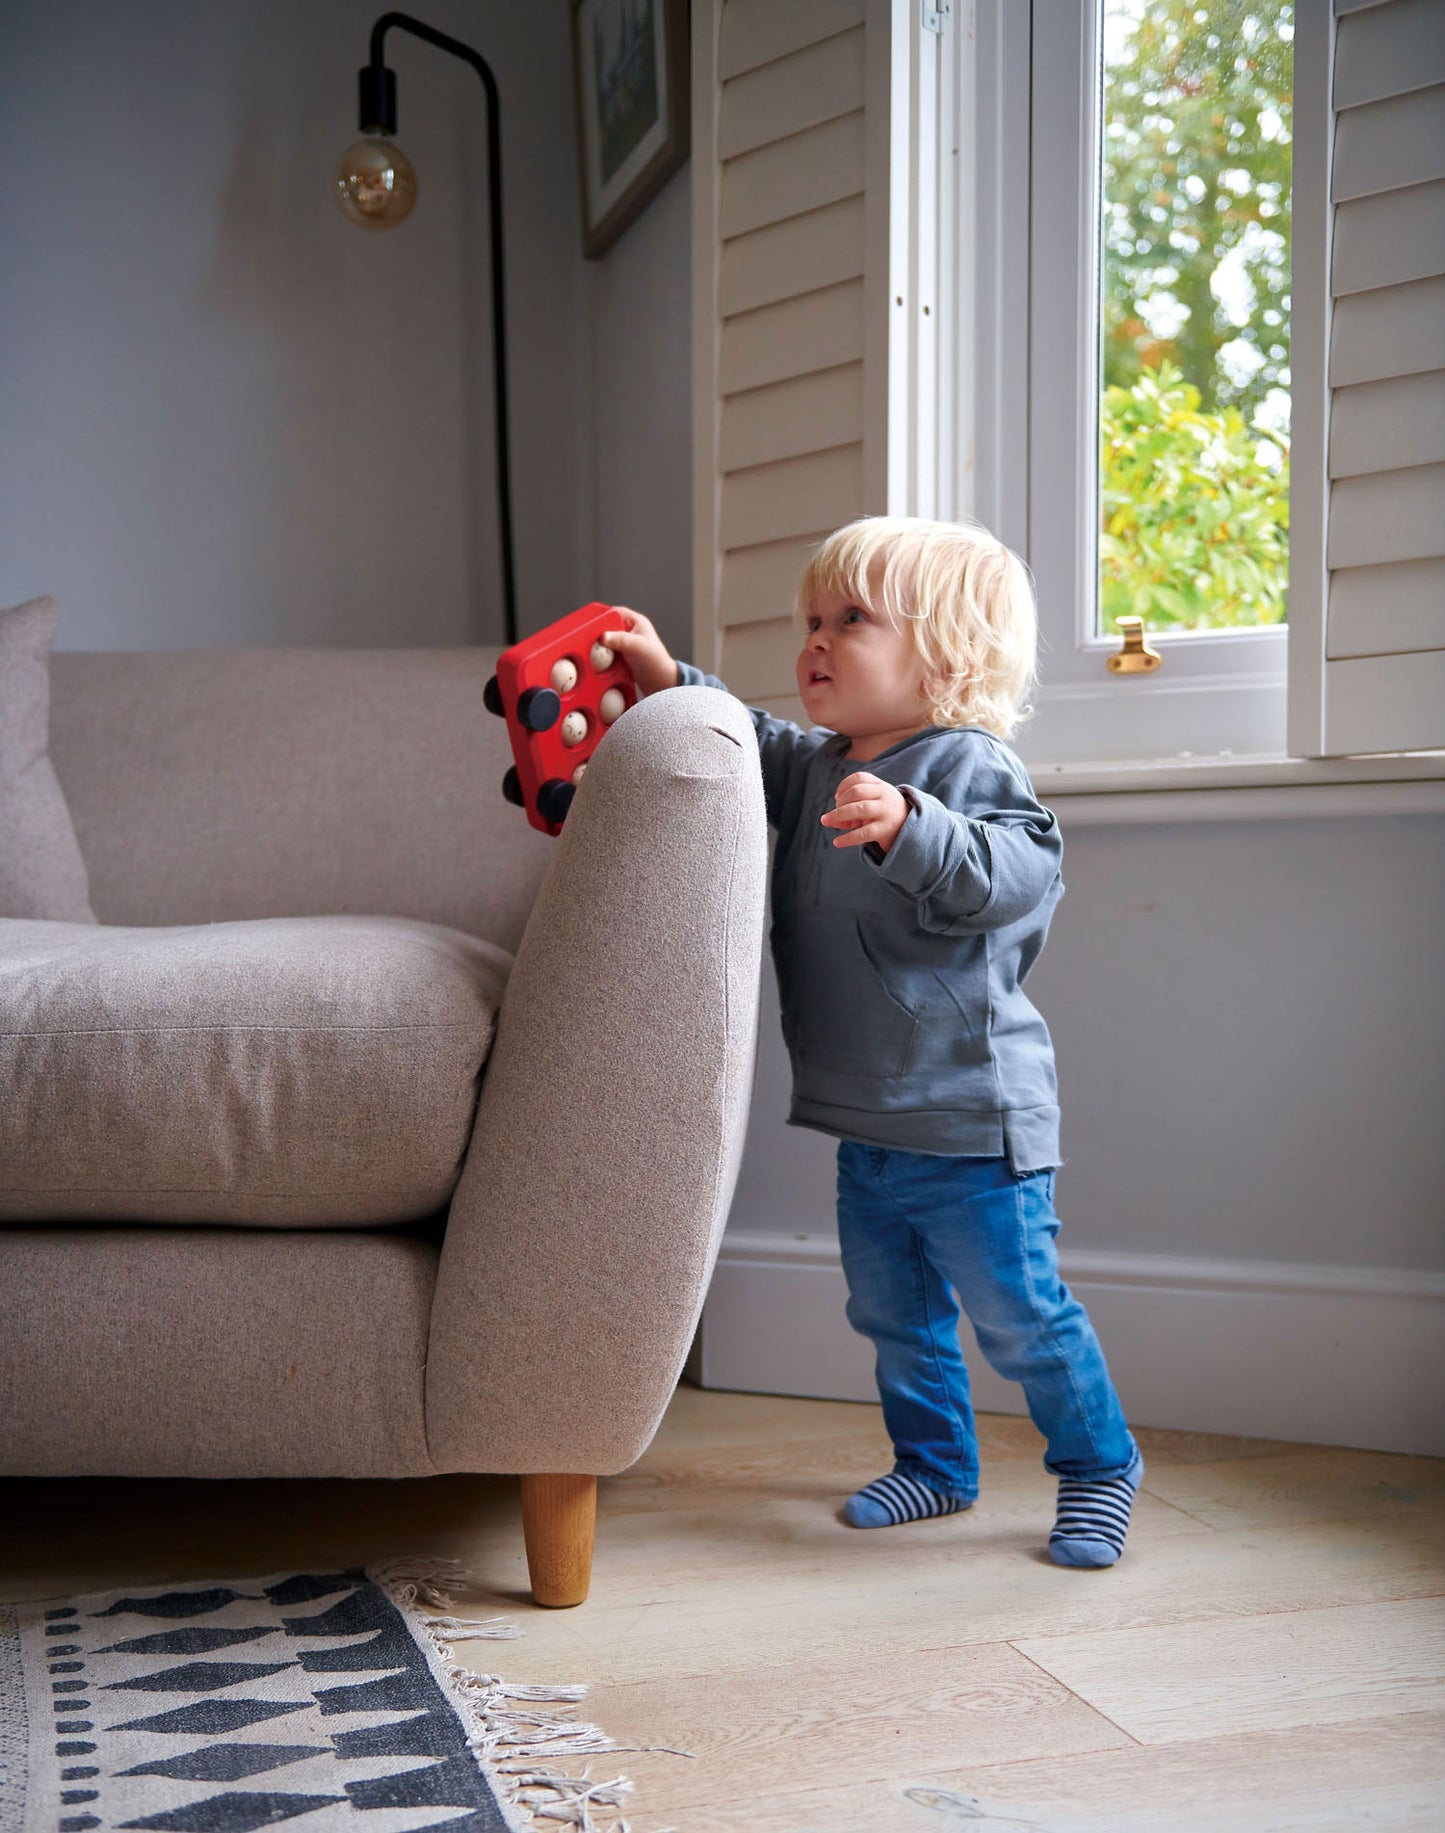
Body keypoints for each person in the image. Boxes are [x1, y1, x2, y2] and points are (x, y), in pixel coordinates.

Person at [603, 515, 1142, 1568]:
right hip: (872, 1123)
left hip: (973, 1122)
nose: (814, 640)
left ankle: (1097, 1466)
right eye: (810, 619)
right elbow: (744, 740)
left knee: (1019, 1317)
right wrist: (670, 678)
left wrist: (911, 824)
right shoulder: (819, 766)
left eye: (850, 619)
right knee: (892, 1314)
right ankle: (935, 1464)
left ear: (943, 656)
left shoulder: (968, 765)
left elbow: (1019, 875)